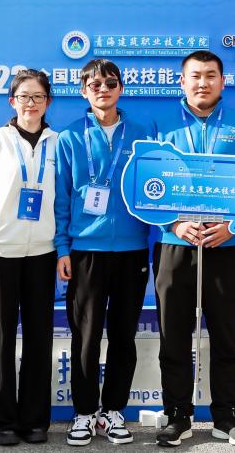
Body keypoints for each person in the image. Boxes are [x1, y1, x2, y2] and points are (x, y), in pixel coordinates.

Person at [152, 50, 235, 448]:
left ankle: (226, 417)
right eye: (196, 75)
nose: (203, 82)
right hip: (175, 245)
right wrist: (173, 224)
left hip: (227, 245)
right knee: (174, 335)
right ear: (182, 81)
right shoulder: (161, 125)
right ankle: (177, 415)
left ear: (223, 81)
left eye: (211, 75)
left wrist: (232, 226)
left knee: (228, 335)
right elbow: (146, 186)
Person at [54, 58, 153, 446]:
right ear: (83, 91)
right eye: (94, 84)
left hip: (132, 250)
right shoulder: (69, 137)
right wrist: (63, 248)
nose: (103, 89)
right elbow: (62, 198)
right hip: (86, 251)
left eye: (110, 83)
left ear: (121, 88)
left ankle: (113, 411)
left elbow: (153, 192)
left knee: (124, 336)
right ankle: (83, 412)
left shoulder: (141, 136)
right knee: (87, 336)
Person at [0, 69, 59, 447]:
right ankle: (3, 421)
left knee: (39, 337)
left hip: (42, 250)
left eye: (38, 96)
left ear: (47, 102)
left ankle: (35, 421)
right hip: (1, 251)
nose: (31, 103)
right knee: (2, 338)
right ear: (12, 101)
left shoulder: (58, 143)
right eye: (24, 96)